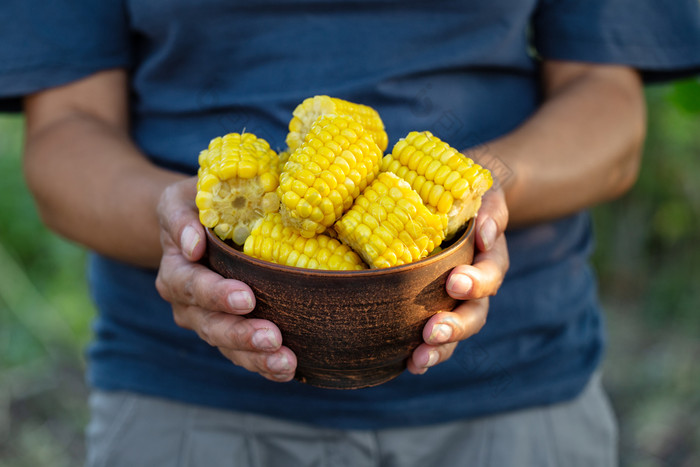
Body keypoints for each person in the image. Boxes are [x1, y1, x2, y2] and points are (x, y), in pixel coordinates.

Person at [1, 1, 699, 465]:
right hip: (184, 396)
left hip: (512, 392)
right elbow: (64, 130)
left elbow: (608, 105)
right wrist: (176, 224)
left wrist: (480, 190)